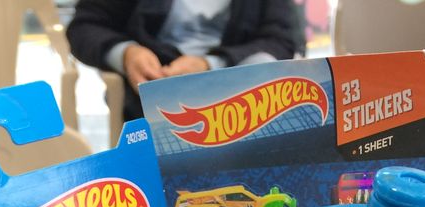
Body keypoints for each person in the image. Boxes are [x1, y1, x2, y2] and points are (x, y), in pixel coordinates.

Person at [66, 0, 304, 122]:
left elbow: (281, 40)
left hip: (240, 86)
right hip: (153, 90)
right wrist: (127, 53)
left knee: (262, 64)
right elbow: (85, 26)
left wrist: (210, 64)